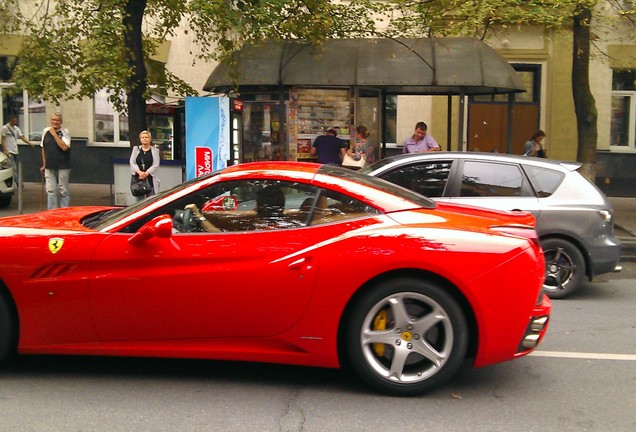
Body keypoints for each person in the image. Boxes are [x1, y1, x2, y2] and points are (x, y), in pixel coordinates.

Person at [40, 112, 71, 209]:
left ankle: (63, 210)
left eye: (57, 120)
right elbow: (43, 148)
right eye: (53, 120)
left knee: (63, 190)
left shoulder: (65, 132)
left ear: (61, 121)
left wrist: (54, 135)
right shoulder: (46, 131)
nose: (55, 122)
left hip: (63, 165)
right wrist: (44, 164)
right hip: (49, 165)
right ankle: (52, 212)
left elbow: (64, 147)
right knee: (51, 190)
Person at [1, 114, 34, 185]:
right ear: (10, 121)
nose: (14, 122)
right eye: (13, 121)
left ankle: (12, 181)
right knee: (14, 167)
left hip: (15, 150)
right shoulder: (5, 128)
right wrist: (5, 150)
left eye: (15, 121)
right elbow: (2, 140)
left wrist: (29, 143)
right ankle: (19, 182)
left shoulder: (16, 128)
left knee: (14, 168)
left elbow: (22, 137)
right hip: (9, 151)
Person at [129, 130, 160, 200]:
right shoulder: (136, 149)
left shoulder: (155, 150)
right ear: (140, 139)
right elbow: (132, 162)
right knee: (139, 201)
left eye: (146, 137)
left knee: (151, 200)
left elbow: (155, 165)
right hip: (138, 178)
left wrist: (146, 174)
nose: (145, 139)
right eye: (143, 137)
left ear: (150, 139)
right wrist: (139, 172)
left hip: (150, 179)